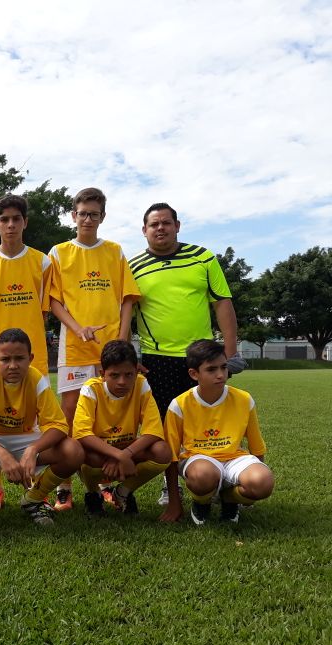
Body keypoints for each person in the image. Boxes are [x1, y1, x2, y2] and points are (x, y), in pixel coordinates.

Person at [129, 203, 241, 522]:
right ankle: (172, 495)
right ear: (144, 230)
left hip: (202, 358)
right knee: (167, 432)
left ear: (178, 225)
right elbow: (125, 313)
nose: (160, 228)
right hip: (157, 359)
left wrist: (230, 355)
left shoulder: (203, 258)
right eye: (154, 224)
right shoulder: (133, 266)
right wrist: (129, 353)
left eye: (166, 223)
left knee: (208, 425)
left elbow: (223, 303)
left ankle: (215, 487)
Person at [48, 187, 141, 512]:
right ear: (73, 215)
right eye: (82, 213)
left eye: (94, 214)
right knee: (70, 416)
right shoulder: (59, 253)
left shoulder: (114, 252)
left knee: (105, 416)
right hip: (74, 346)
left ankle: (103, 485)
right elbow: (54, 301)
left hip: (111, 352)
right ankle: (63, 487)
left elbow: (128, 298)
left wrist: (122, 339)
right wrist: (78, 329)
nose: (88, 218)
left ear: (102, 217)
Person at [0, 194, 53, 511]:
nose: (10, 224)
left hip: (33, 356)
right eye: (3, 219)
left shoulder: (42, 261)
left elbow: (43, 311)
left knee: (35, 419)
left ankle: (36, 488)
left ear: (25, 223)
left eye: (15, 219)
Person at [0, 328, 83, 527]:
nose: (13, 366)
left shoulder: (36, 379)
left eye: (19, 358)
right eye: (5, 359)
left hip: (26, 438)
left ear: (30, 358)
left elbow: (59, 425)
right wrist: (2, 454)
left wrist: (33, 449)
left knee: (73, 450)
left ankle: (33, 499)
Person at [165, 339, 273, 525]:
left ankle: (229, 499)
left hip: (234, 458)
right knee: (202, 476)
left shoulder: (243, 399)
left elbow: (256, 446)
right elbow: (171, 457)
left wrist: (252, 489)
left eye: (223, 367)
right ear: (194, 373)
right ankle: (201, 502)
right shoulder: (179, 404)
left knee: (263, 482)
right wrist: (174, 502)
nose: (220, 375)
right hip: (199, 459)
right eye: (211, 369)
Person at [73, 340, 171, 517]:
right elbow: (81, 433)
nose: (122, 382)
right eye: (114, 375)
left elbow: (154, 430)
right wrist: (118, 455)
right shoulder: (91, 389)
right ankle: (93, 493)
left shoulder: (141, 385)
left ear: (136, 372)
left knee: (162, 451)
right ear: (103, 374)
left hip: (127, 447)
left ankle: (123, 492)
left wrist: (126, 454)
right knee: (81, 453)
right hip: (99, 450)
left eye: (129, 375)